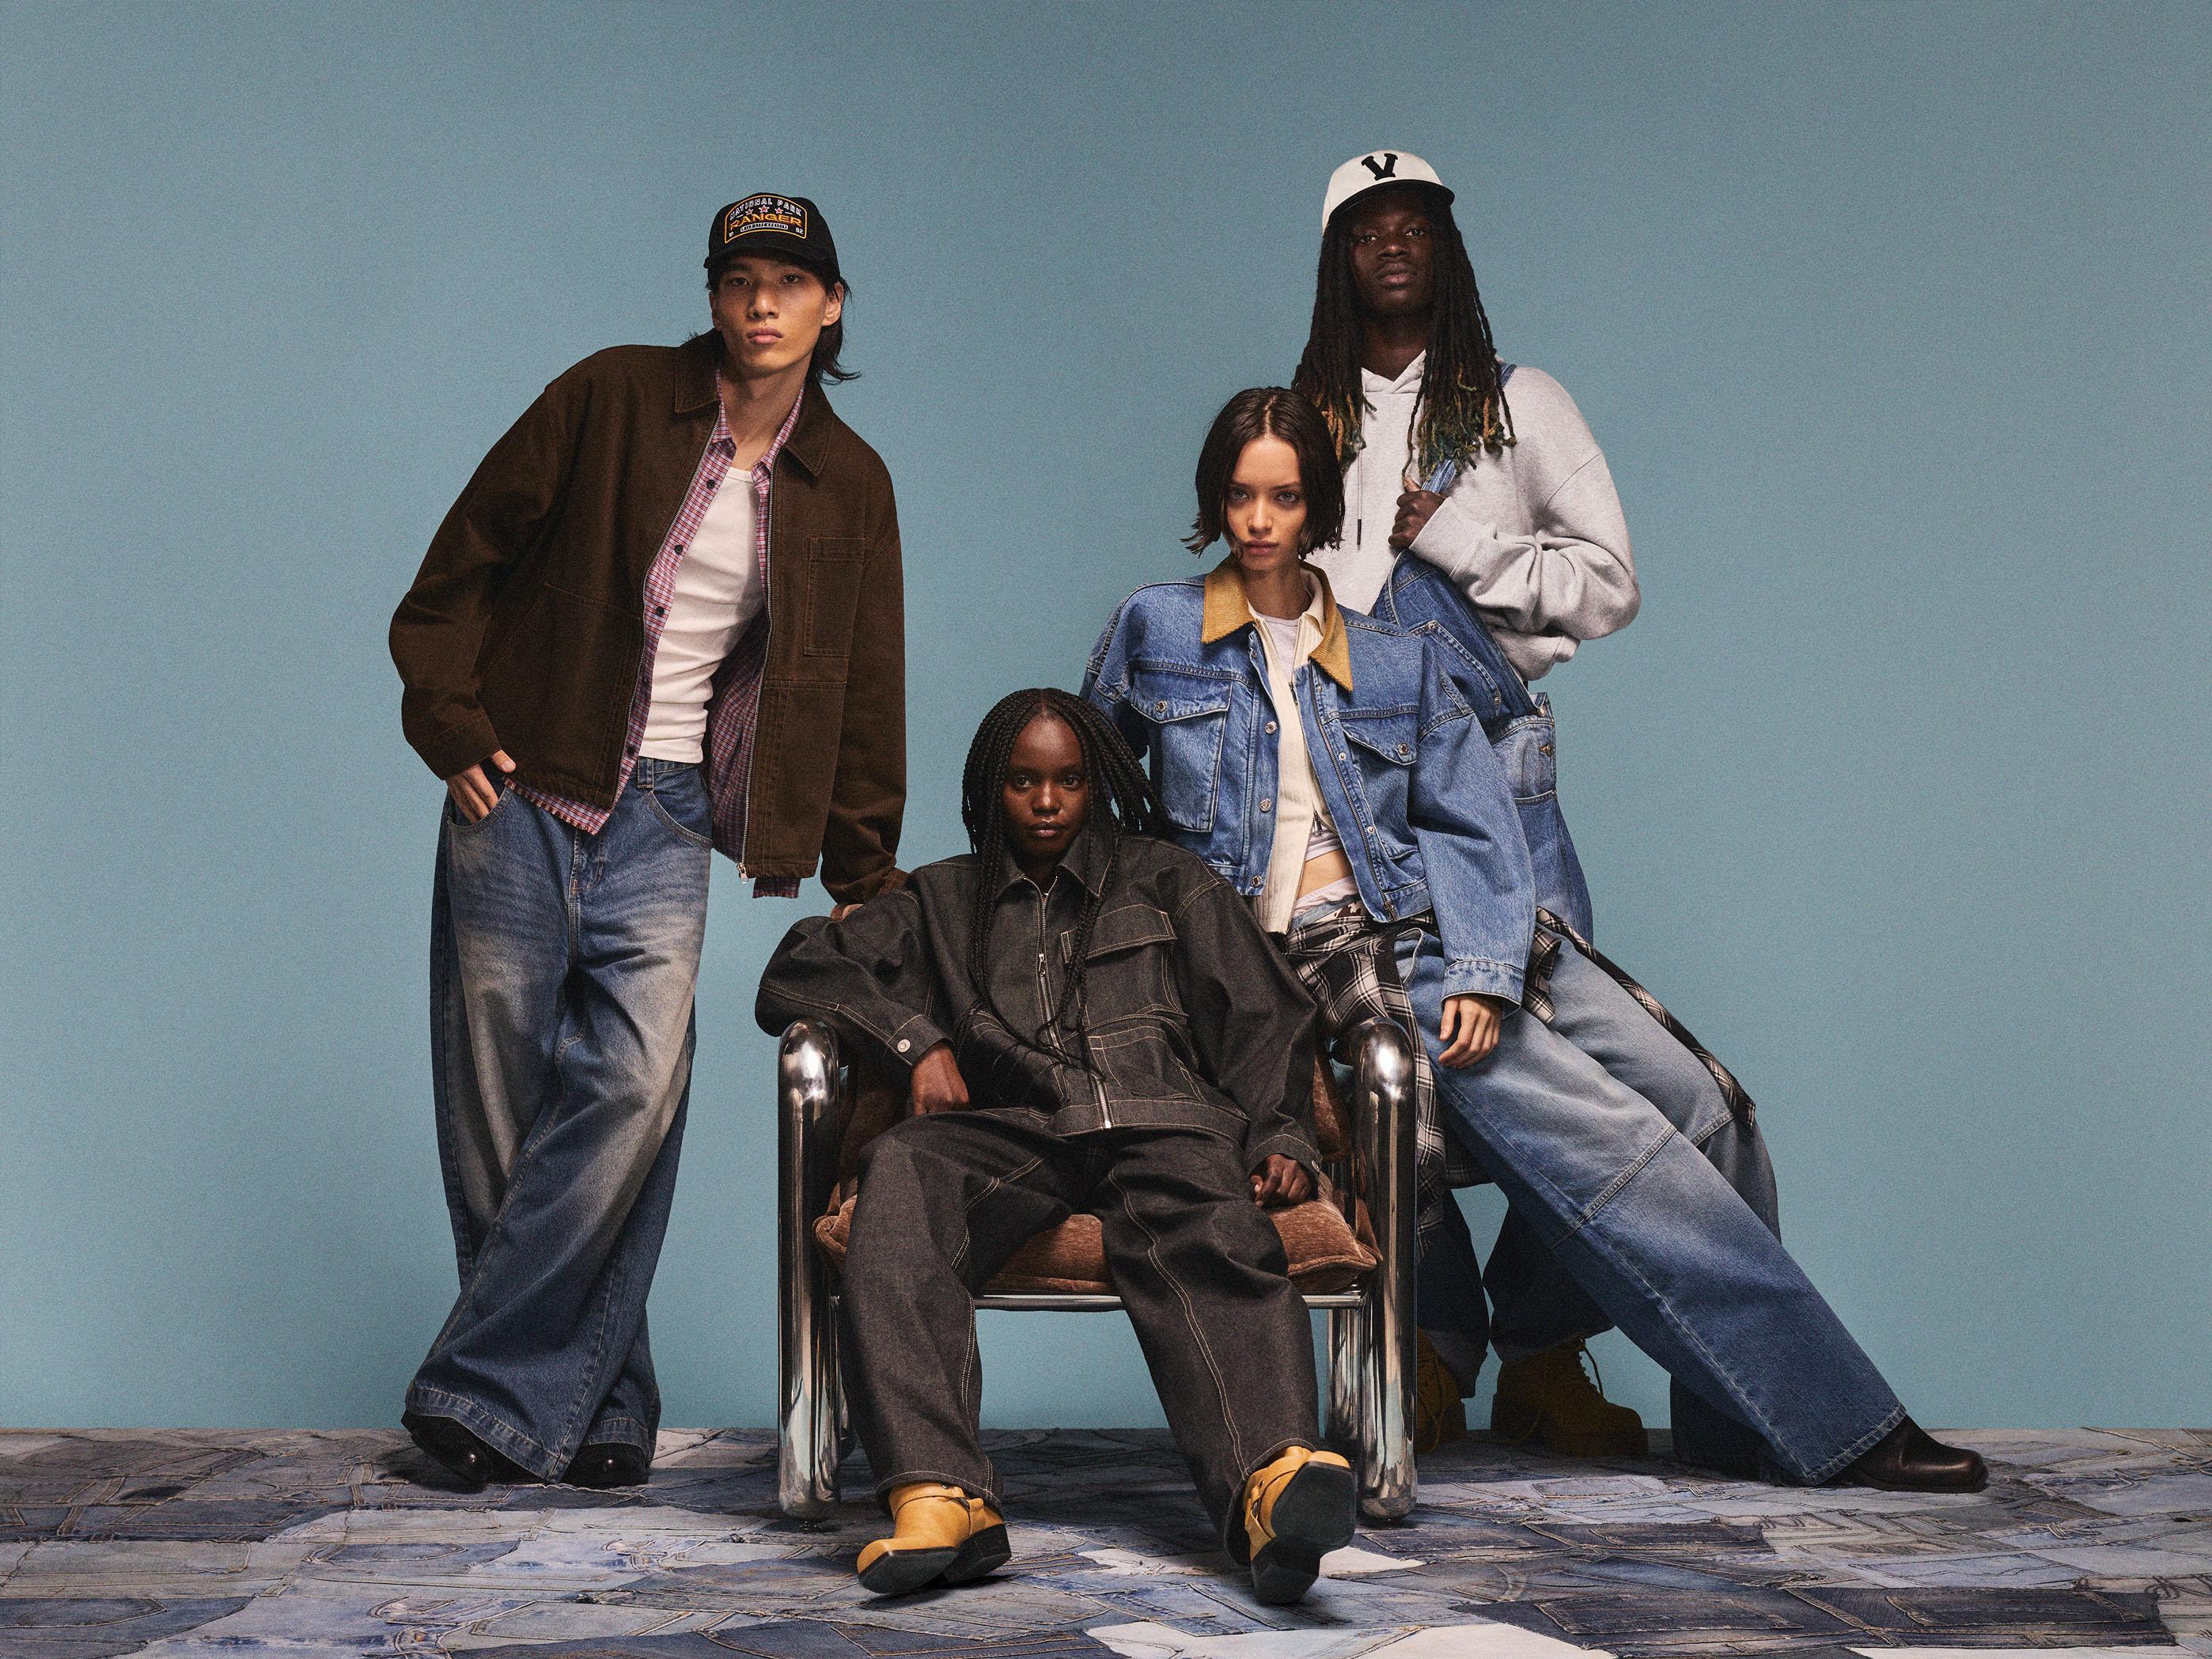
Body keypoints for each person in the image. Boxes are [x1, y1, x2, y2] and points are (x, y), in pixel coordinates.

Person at [1084, 387, 1985, 1493]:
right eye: (1239, 496)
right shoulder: (1156, 629)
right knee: (1615, 1145)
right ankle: (1840, 1422)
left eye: (1284, 497)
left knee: (1710, 1107)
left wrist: (1482, 966)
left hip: (1428, 931)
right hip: (1298, 963)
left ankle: (1736, 1424)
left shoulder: (1396, 659)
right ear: (1213, 501)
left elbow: (1473, 824)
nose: (1260, 521)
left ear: (1318, 506)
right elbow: (1088, 794)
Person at [388, 192, 907, 1491]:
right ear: (714, 296)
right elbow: (461, 562)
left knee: (630, 1090)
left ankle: (482, 1394)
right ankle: (604, 1403)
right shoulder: (611, 397)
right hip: (524, 785)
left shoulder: (849, 484)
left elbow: (862, 680)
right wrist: (449, 720)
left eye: (791, 281)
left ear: (832, 305)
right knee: (502, 1107)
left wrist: (862, 868)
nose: (763, 303)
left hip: (668, 812)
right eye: (740, 280)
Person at [756, 688, 1357, 1604]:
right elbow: (800, 967)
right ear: (990, 790)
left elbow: (1264, 1016)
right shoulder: (940, 899)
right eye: (1024, 782)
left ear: (1096, 785)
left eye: (1069, 781)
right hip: (1017, 1128)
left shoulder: (1169, 878)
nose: (1046, 802)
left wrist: (1280, 1133)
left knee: (1214, 1231)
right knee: (903, 1172)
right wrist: (917, 1042)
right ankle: (942, 1495)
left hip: (1161, 1121)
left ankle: (1272, 1487)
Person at [1293, 147, 1640, 1454]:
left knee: (1552, 1059)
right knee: (1381, 1053)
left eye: (1415, 225)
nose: (1392, 244)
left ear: (1445, 247)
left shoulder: (1514, 402)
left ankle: (1546, 1352)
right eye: (1366, 228)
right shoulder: (1307, 416)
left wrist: (1464, 541)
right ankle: (1431, 1347)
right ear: (1338, 257)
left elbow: (1608, 584)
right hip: (1355, 774)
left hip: (1495, 755)